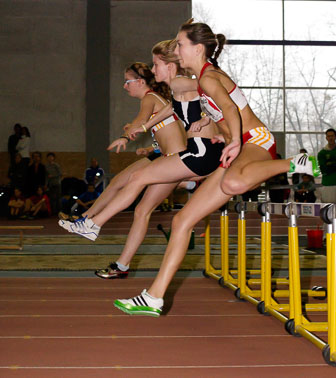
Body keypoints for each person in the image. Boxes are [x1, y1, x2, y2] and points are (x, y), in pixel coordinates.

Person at [112, 19, 321, 317]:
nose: (177, 49)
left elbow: (230, 107)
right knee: (182, 220)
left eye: (180, 44)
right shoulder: (200, 81)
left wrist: (234, 138)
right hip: (239, 145)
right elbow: (221, 112)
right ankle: (154, 296)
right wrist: (212, 128)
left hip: (255, 140)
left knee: (234, 184)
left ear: (197, 49)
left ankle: (296, 162)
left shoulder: (209, 78)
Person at [59, 40, 224, 249]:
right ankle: (93, 226)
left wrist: (214, 111)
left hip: (194, 153)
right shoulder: (174, 92)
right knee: (130, 192)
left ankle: (92, 223)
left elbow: (210, 86)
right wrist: (144, 130)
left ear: (169, 66)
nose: (152, 69)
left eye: (155, 65)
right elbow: (171, 111)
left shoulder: (169, 87)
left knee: (136, 189)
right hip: (185, 153)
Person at [317, 128, 336, 203]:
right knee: (328, 207)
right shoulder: (322, 153)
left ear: (335, 136)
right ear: (326, 138)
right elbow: (324, 169)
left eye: (332, 136)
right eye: (329, 136)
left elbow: (329, 167)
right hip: (327, 184)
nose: (331, 138)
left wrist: (331, 164)